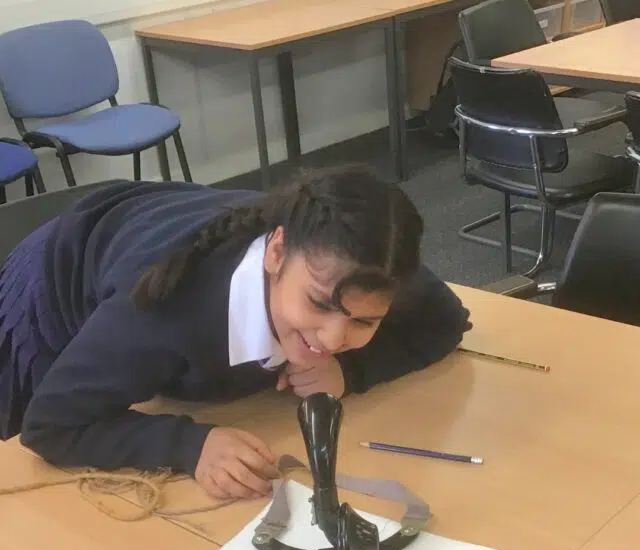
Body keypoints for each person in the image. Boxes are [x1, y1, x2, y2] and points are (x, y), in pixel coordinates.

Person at [0, 164, 471, 501]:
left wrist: (351, 370)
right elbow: (51, 425)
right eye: (319, 305)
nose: (331, 340)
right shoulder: (164, 311)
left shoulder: (368, 266)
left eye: (363, 322)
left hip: (155, 225)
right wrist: (190, 445)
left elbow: (446, 320)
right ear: (276, 253)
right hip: (53, 289)